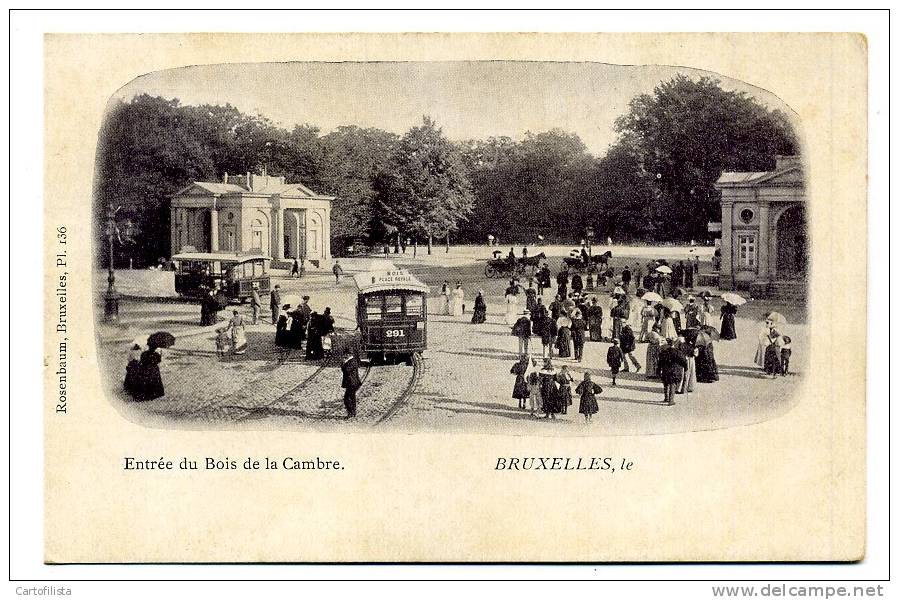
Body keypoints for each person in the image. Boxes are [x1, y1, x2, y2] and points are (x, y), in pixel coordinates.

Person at [657, 338, 687, 405]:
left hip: (665, 370)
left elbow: (660, 362)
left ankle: (666, 398)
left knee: (666, 384)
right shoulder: (678, 352)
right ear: (673, 344)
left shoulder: (664, 352)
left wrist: (658, 371)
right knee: (673, 384)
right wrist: (685, 367)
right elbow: (683, 361)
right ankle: (671, 400)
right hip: (675, 370)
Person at [340, 347, 362, 418]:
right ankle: (353, 412)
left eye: (345, 354)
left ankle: (351, 413)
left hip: (352, 383)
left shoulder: (352, 361)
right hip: (353, 383)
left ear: (349, 354)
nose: (344, 355)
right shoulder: (353, 361)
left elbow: (346, 370)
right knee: (352, 397)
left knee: (347, 398)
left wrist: (344, 363)